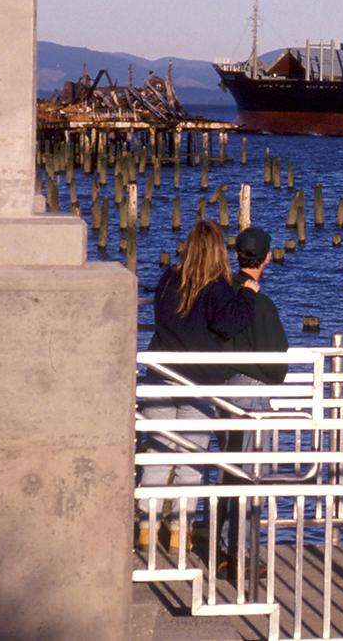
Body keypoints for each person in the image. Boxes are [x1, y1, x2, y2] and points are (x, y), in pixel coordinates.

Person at [138, 220, 257, 550]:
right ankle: (180, 532)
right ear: (220, 250)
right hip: (199, 381)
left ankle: (146, 528)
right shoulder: (217, 287)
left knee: (158, 454)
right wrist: (247, 294)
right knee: (191, 459)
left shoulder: (168, 280)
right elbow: (228, 323)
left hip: (161, 376)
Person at [218, 226, 290, 570]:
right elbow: (277, 362)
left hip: (219, 388)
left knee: (228, 468)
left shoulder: (221, 294)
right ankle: (242, 553)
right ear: (268, 258)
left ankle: (225, 545)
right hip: (252, 393)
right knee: (250, 472)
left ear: (236, 255)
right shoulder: (261, 304)